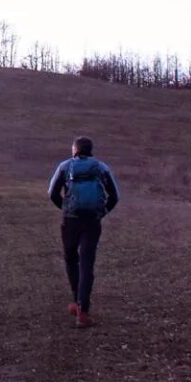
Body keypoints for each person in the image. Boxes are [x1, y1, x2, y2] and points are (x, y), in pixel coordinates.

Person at [47, 136, 119, 329]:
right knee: (87, 263)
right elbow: (115, 195)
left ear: (75, 150)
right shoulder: (101, 167)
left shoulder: (65, 166)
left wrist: (65, 208)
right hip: (92, 222)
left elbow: (52, 193)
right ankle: (83, 310)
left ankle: (77, 302)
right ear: (90, 150)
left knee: (71, 259)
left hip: (70, 220)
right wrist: (102, 212)